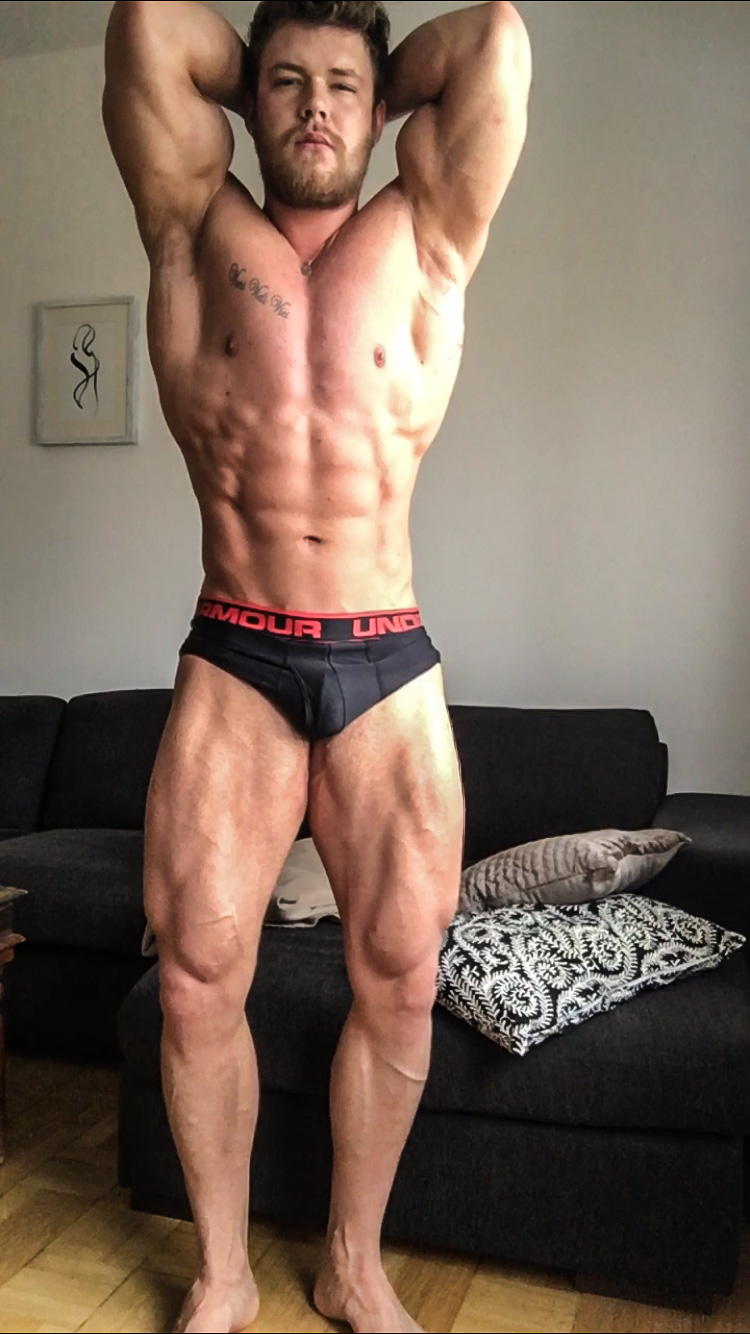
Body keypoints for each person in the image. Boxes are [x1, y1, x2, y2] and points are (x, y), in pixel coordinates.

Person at [102, 2, 531, 1331]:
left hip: (385, 659)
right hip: (238, 647)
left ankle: (353, 1264)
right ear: (248, 100)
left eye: (342, 86)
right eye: (286, 83)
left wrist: (360, 80)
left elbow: (495, 38)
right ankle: (224, 1274)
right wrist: (273, 76)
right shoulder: (193, 223)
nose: (313, 108)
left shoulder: (427, 233)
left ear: (383, 103)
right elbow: (148, 25)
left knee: (401, 973)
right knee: (193, 977)